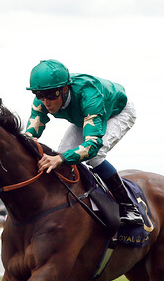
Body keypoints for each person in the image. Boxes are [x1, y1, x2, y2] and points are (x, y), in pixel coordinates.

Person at [24, 59, 142, 225]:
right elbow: (31, 132)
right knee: (61, 153)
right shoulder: (43, 98)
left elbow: (92, 146)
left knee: (93, 156)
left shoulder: (89, 95)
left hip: (116, 112)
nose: (46, 102)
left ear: (65, 89)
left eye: (51, 95)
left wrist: (60, 159)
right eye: (39, 95)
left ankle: (129, 207)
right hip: (84, 117)